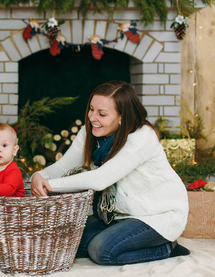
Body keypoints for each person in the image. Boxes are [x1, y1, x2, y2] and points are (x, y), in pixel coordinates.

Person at [31, 80, 190, 265]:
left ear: (122, 117)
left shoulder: (142, 137)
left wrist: (49, 185)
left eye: (102, 114)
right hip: (119, 215)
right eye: (91, 109)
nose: (92, 118)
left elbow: (101, 179)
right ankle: (122, 238)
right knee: (68, 241)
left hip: (157, 214)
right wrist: (39, 175)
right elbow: (62, 167)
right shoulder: (90, 131)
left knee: (101, 251)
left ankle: (166, 247)